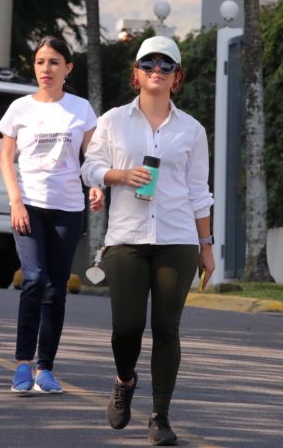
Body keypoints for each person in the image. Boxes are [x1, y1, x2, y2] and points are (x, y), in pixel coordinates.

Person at [81, 36, 215, 446]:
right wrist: (119, 176)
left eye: (166, 65)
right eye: (148, 63)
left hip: (177, 238)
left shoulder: (192, 130)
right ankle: (124, 380)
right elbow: (90, 167)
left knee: (166, 327)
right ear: (135, 73)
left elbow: (199, 191)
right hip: (127, 237)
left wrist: (206, 245)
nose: (157, 70)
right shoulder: (113, 121)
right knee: (127, 327)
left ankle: (160, 416)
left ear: (177, 77)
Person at [0, 36, 103, 394]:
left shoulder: (81, 109)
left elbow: (93, 157)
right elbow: (6, 159)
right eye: (41, 62)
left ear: (68, 68)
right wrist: (15, 201)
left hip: (68, 209)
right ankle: (22, 364)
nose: (47, 68)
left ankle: (45, 369)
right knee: (35, 279)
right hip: (28, 206)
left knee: (56, 289)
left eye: (55, 62)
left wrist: (96, 185)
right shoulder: (20, 109)